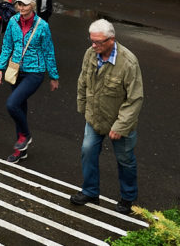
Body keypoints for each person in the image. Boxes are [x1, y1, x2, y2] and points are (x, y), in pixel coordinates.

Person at [70, 18, 144, 215]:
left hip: (119, 123)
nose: (93, 46)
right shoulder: (90, 53)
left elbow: (135, 99)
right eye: (91, 41)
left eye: (98, 42)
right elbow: (82, 81)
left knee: (125, 159)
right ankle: (90, 192)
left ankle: (128, 198)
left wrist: (120, 127)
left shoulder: (128, 62)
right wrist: (83, 108)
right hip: (94, 117)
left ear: (111, 40)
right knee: (87, 151)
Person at [0, 0, 59, 163]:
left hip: (35, 72)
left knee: (12, 104)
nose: (21, 7)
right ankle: (21, 150)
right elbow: (6, 46)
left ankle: (25, 136)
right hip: (15, 70)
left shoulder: (42, 25)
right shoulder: (13, 22)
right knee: (19, 107)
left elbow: (48, 51)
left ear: (33, 5)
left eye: (25, 4)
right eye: (19, 4)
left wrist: (53, 76)